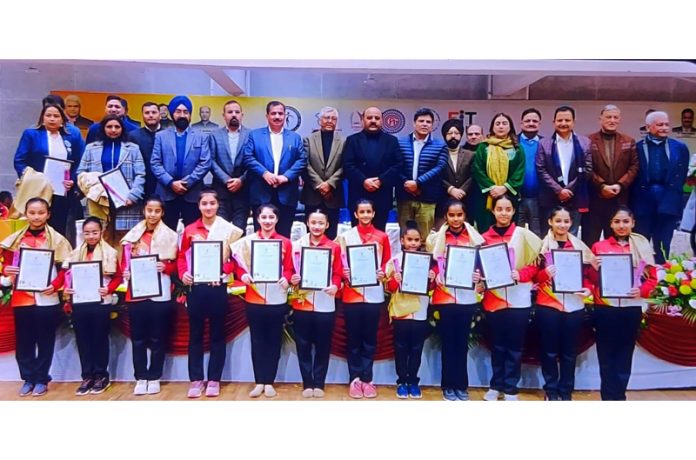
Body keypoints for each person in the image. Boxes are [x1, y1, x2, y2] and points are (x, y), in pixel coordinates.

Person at [0, 198, 72, 397]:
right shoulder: (14, 240)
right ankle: (28, 378)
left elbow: (66, 269)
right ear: (26, 214)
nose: (36, 217)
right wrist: (7, 269)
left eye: (41, 212)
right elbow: (3, 265)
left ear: (48, 214)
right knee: (24, 341)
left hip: (46, 298)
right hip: (22, 297)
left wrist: (55, 285)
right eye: (32, 212)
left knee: (45, 339)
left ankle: (41, 378)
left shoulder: (57, 240)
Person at [178, 189, 244, 398]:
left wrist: (223, 271)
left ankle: (214, 378)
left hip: (218, 288)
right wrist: (184, 274)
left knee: (217, 334)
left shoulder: (228, 230)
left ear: (218, 205)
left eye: (212, 203)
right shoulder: (189, 230)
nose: (208, 207)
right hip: (196, 289)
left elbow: (235, 260)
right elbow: (181, 257)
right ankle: (196, 379)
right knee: (195, 335)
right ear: (199, 206)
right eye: (204, 204)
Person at [588, 206, 656, 400]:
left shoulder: (641, 246)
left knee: (625, 354)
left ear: (633, 223)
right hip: (605, 309)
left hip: (630, 308)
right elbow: (592, 279)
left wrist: (641, 291)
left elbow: (653, 279)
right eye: (617, 222)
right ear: (610, 224)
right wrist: (593, 268)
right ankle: (607, 397)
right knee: (606, 355)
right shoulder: (599, 247)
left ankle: (619, 396)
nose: (621, 226)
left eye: (626, 221)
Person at [480, 194, 542, 401]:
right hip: (494, 298)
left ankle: (511, 387)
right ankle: (495, 385)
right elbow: (480, 266)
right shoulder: (484, 238)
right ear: (493, 211)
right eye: (500, 209)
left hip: (519, 297)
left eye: (508, 209)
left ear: (514, 211)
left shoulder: (524, 235)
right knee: (497, 345)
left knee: (515, 346)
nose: (503, 213)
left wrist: (521, 274)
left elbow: (535, 264)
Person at [232, 204, 293, 398]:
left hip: (277, 298)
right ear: (257, 219)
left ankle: (270, 381)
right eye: (263, 217)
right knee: (257, 341)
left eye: (271, 217)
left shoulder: (286, 242)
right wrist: (242, 276)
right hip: (254, 297)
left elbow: (291, 268)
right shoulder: (247, 243)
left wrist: (287, 277)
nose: (267, 221)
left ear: (277, 220)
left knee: (274, 341)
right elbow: (239, 266)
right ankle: (259, 381)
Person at [535, 206, 596, 401]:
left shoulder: (580, 248)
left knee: (569, 353)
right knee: (549, 351)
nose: (562, 225)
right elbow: (533, 276)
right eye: (558, 221)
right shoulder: (541, 247)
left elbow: (587, 276)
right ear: (550, 222)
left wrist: (588, 289)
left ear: (571, 223)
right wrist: (545, 273)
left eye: (566, 221)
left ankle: (566, 390)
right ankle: (551, 390)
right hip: (548, 306)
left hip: (574, 306)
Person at [426, 199, 485, 401]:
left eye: (459, 215)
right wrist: (435, 274)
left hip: (467, 298)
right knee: (448, 343)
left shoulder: (475, 239)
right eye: (451, 215)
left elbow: (480, 265)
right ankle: (447, 385)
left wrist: (478, 276)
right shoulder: (436, 239)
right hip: (445, 297)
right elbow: (432, 264)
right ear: (446, 217)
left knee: (461, 343)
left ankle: (461, 385)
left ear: (465, 216)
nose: (456, 219)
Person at [120, 196, 178, 396]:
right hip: (136, 294)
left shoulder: (171, 236)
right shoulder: (132, 236)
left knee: (157, 337)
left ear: (162, 213)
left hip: (160, 292)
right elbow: (123, 263)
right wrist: (126, 271)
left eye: (157, 211)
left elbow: (178, 264)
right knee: (138, 339)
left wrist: (167, 267)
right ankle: (141, 377)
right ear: (143, 211)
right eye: (149, 210)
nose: (152, 215)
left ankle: (155, 376)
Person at [336, 199, 390, 398]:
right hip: (352, 295)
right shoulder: (345, 238)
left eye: (369, 211)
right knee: (354, 339)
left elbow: (387, 264)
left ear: (374, 213)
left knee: (369, 340)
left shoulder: (382, 237)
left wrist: (382, 273)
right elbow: (338, 264)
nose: (365, 215)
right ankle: (355, 379)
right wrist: (345, 272)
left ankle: (368, 379)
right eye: (362, 212)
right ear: (356, 215)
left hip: (374, 295)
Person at [63, 216, 123, 396]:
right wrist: (68, 288)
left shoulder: (110, 252)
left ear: (101, 232)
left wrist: (109, 289)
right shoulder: (75, 254)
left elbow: (118, 277)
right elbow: (66, 276)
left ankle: (101, 375)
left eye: (94, 232)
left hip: (100, 302)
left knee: (99, 339)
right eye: (87, 233)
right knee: (83, 340)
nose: (91, 236)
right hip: (80, 302)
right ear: (82, 234)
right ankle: (87, 375)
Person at [289, 208, 342, 398]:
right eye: (313, 223)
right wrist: (292, 279)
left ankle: (319, 382)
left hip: (325, 302)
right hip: (301, 302)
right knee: (302, 344)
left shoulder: (334, 247)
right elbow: (288, 271)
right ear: (307, 224)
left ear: (327, 225)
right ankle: (307, 383)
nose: (317, 226)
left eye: (321, 223)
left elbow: (338, 273)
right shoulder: (297, 246)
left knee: (323, 344)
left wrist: (336, 286)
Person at [13, 103, 85, 239]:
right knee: (35, 225)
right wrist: (31, 178)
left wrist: (73, 181)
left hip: (61, 191)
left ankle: (56, 257)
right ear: (42, 118)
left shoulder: (71, 137)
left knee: (58, 227)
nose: (52, 119)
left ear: (62, 120)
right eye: (48, 115)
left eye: (56, 116)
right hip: (37, 190)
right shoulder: (31, 134)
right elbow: (19, 161)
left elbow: (79, 162)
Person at [76, 114, 146, 245]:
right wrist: (92, 191)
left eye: (117, 127)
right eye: (109, 126)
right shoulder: (91, 148)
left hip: (126, 201)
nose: (113, 130)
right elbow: (81, 173)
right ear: (103, 128)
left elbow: (140, 174)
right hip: (98, 201)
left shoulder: (133, 148)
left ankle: (123, 266)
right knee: (101, 237)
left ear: (122, 129)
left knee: (125, 240)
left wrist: (134, 195)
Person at [631, 111, 690, 263]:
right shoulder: (636, 148)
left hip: (668, 202)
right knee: (641, 245)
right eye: (660, 124)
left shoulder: (680, 148)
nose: (664, 128)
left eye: (667, 124)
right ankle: (641, 283)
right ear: (648, 127)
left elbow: (681, 174)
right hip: (642, 203)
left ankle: (661, 281)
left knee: (663, 245)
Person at [385, 221, 434, 399]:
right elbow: (389, 288)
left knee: (416, 348)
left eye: (416, 240)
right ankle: (402, 381)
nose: (413, 243)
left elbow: (432, 286)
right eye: (409, 240)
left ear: (421, 241)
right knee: (400, 347)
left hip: (420, 310)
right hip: (401, 311)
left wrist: (431, 277)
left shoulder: (427, 260)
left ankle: (413, 381)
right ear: (402, 240)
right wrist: (395, 279)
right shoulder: (395, 260)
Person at [243, 100, 307, 237]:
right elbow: (248, 157)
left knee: (284, 235)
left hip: (286, 194)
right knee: (260, 235)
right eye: (273, 113)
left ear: (285, 116)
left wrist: (286, 177)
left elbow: (302, 160)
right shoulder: (255, 135)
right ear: (267, 116)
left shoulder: (295, 138)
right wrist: (265, 173)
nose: (277, 116)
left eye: (280, 113)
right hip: (261, 193)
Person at [151, 95, 212, 231]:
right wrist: (171, 183)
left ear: (190, 115)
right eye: (178, 112)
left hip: (192, 193)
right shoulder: (161, 136)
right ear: (172, 114)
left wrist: (187, 183)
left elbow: (205, 163)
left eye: (186, 112)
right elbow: (155, 163)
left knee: (194, 234)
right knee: (166, 235)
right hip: (167, 193)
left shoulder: (201, 136)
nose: (182, 115)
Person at [584, 104, 639, 246]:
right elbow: (586, 167)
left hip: (619, 199)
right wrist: (601, 185)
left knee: (616, 242)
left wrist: (620, 185)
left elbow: (634, 166)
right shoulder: (588, 140)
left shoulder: (629, 141)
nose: (612, 120)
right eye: (608, 117)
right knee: (590, 240)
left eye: (615, 117)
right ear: (600, 119)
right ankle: (589, 268)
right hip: (595, 199)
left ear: (619, 120)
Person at [343, 107, 403, 230]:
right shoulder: (352, 140)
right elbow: (347, 165)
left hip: (382, 195)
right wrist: (364, 181)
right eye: (369, 118)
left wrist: (381, 180)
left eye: (377, 118)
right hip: (358, 194)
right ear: (362, 120)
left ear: (382, 120)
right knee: (357, 235)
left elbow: (398, 164)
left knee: (379, 234)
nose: (373, 121)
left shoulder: (391, 141)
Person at [536, 105, 592, 236]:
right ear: (554, 122)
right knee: (548, 235)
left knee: (571, 235)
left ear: (573, 122)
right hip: (550, 196)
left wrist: (569, 189)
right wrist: (559, 190)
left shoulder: (584, 142)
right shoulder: (544, 143)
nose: (563, 123)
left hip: (575, 195)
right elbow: (541, 169)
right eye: (560, 120)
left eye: (567, 120)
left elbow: (588, 170)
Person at [396, 108, 448, 241]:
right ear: (414, 123)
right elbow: (396, 165)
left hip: (427, 198)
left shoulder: (440, 145)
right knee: (405, 236)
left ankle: (425, 260)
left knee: (425, 237)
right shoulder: (400, 142)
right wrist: (407, 183)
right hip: (404, 195)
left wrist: (418, 183)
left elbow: (440, 167)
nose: (424, 124)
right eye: (421, 121)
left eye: (428, 122)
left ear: (432, 125)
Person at [471, 113, 526, 231]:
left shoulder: (517, 148)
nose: (501, 126)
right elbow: (478, 169)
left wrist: (505, 188)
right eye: (498, 124)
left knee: (508, 232)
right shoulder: (483, 147)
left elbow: (519, 171)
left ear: (510, 127)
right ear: (492, 128)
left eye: (504, 123)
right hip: (487, 197)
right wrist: (492, 187)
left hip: (510, 196)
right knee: (486, 230)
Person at [301, 106, 346, 239]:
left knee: (331, 235)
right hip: (312, 194)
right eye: (326, 117)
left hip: (333, 195)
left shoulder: (344, 141)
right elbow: (305, 165)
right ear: (320, 120)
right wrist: (320, 185)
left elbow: (345, 166)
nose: (329, 121)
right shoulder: (308, 140)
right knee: (311, 235)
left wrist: (330, 184)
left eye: (333, 118)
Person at [209, 100, 251, 230]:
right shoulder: (214, 135)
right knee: (221, 233)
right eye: (230, 112)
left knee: (239, 232)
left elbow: (254, 162)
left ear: (242, 115)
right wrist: (226, 180)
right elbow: (210, 160)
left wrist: (241, 180)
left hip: (243, 191)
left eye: (237, 112)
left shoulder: (251, 135)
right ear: (224, 115)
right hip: (221, 191)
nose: (234, 115)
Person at [436, 119, 475, 230]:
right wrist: (450, 189)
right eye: (450, 133)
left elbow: (473, 175)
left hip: (465, 200)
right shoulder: (438, 153)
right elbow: (436, 175)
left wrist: (462, 190)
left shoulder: (470, 155)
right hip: (443, 200)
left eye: (457, 133)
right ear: (444, 135)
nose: (453, 136)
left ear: (461, 135)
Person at [128, 101, 165, 196]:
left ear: (160, 115)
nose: (151, 115)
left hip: (165, 186)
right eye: (147, 113)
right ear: (143, 116)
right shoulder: (133, 136)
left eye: (154, 112)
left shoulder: (169, 134)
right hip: (142, 186)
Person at [517, 108, 543, 236]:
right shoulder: (512, 142)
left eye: (534, 121)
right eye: (527, 121)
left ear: (539, 124)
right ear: (521, 123)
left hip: (539, 199)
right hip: (516, 198)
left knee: (537, 237)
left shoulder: (546, 143)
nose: (531, 123)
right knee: (516, 238)